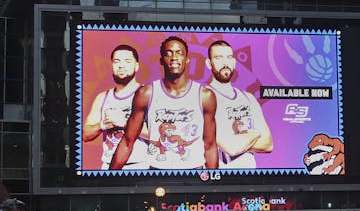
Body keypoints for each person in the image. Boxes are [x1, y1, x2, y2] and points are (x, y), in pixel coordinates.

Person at [110, 36, 218, 170]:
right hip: (157, 175)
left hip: (193, 175)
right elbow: (127, 142)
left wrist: (213, 183)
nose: (174, 57)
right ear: (161, 60)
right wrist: (109, 177)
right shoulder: (146, 93)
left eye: (179, 53)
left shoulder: (205, 96)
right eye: (168, 53)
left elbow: (210, 145)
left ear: (187, 59)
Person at [205, 40, 273, 168]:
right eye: (218, 58)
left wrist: (237, 140)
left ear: (234, 62)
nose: (225, 63)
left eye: (229, 57)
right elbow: (231, 147)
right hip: (217, 181)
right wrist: (255, 133)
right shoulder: (203, 98)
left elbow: (268, 144)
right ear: (209, 63)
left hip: (249, 181)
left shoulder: (249, 98)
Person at [82, 44, 148, 169]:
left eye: (127, 61)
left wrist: (125, 123)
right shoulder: (103, 97)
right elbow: (85, 135)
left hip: (140, 169)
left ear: (137, 66)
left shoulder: (148, 94)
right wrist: (103, 125)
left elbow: (160, 136)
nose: (121, 65)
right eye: (116, 61)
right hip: (109, 168)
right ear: (112, 65)